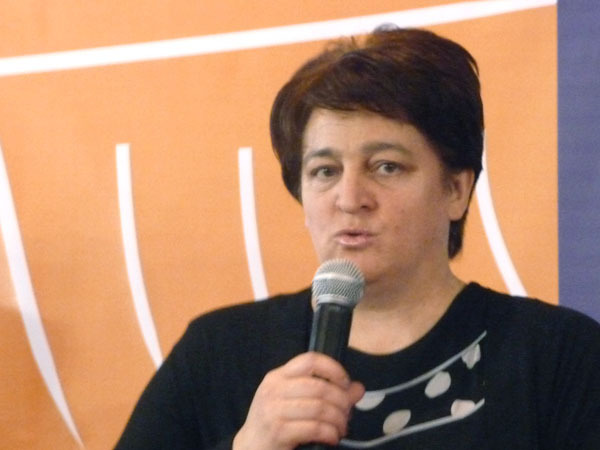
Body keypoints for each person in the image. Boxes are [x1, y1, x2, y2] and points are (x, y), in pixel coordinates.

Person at [115, 27, 600, 449]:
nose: (350, 198)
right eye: (325, 170)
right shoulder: (219, 352)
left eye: (386, 166)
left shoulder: (559, 355)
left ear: (455, 190)